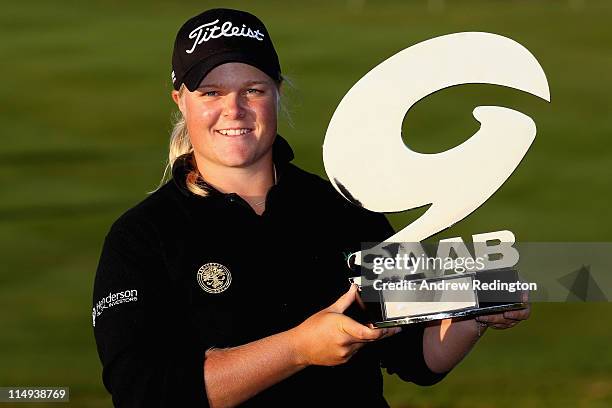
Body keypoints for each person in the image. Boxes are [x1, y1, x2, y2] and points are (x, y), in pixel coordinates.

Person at [92, 8, 530, 408]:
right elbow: (144, 392)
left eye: (253, 89)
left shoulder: (346, 211)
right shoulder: (142, 238)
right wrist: (298, 348)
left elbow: (416, 356)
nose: (234, 109)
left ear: (277, 93)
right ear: (180, 100)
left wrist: (473, 314)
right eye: (210, 92)